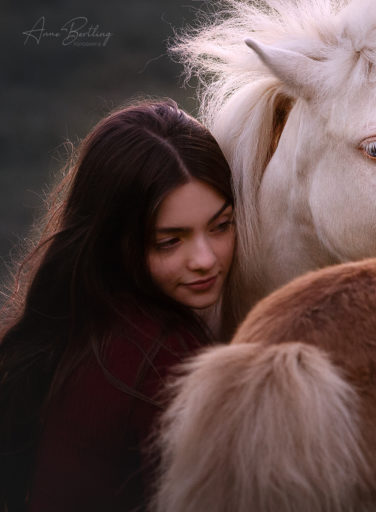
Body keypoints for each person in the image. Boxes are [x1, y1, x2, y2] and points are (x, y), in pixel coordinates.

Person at [0, 99, 236, 511]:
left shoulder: (83, 321)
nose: (205, 259)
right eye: (170, 241)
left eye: (221, 226)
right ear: (115, 240)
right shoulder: (162, 362)